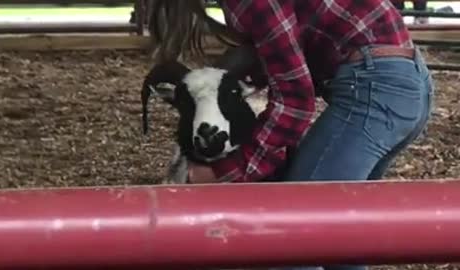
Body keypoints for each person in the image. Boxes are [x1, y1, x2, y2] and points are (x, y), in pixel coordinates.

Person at [148, 1, 434, 269]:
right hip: (405, 81)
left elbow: (294, 100)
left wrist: (225, 172)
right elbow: (281, 58)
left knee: (294, 229)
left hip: (374, 88)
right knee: (344, 228)